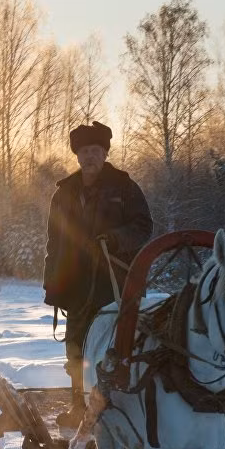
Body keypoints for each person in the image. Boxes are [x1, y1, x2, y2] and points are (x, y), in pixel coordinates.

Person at [42, 121, 153, 425]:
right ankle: (79, 409)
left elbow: (144, 227)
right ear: (77, 155)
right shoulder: (63, 193)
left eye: (95, 150)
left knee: (115, 348)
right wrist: (52, 283)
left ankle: (119, 412)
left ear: (105, 153)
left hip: (115, 284)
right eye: (84, 151)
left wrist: (115, 239)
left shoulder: (125, 187)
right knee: (76, 347)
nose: (89, 156)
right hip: (76, 284)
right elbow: (54, 241)